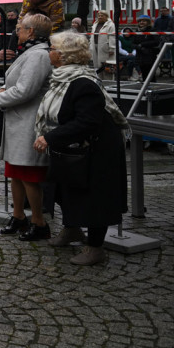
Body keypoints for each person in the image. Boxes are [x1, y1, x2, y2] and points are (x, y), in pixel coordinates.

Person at [34, 32, 130, 265]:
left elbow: (88, 121)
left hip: (98, 150)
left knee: (95, 198)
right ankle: (72, 230)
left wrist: (50, 137)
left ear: (64, 56)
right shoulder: (63, 78)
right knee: (66, 189)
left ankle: (96, 248)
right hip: (74, 148)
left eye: (53, 48)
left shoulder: (83, 83)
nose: (49, 52)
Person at [0, 14, 54, 241]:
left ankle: (39, 222)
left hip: (28, 122)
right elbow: (16, 83)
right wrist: (3, 90)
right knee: (15, 173)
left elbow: (26, 90)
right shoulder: (31, 52)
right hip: (18, 121)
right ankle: (19, 216)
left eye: (20, 28)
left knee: (28, 174)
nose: (17, 32)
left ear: (32, 32)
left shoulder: (38, 55)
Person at [133, 15, 161, 81]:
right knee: (144, 73)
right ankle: (145, 88)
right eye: (140, 21)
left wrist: (142, 44)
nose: (141, 22)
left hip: (150, 54)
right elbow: (132, 43)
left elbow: (156, 41)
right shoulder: (137, 31)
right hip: (140, 55)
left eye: (144, 21)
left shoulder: (153, 30)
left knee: (150, 74)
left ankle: (153, 87)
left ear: (148, 22)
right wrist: (138, 47)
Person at [91, 10, 116, 80]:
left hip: (105, 48)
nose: (100, 17)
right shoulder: (95, 24)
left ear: (106, 17)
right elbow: (92, 36)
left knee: (107, 67)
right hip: (95, 47)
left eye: (102, 16)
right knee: (97, 67)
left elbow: (112, 37)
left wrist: (112, 48)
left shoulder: (111, 25)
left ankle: (109, 83)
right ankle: (99, 81)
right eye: (99, 16)